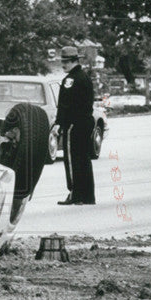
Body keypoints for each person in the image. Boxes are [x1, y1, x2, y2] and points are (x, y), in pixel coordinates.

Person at [55, 46, 96, 205]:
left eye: (65, 62)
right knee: (84, 159)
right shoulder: (85, 77)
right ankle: (88, 196)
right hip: (86, 122)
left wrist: (59, 124)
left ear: (73, 61)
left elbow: (64, 105)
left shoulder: (70, 80)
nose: (62, 65)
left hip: (74, 124)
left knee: (72, 159)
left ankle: (75, 193)